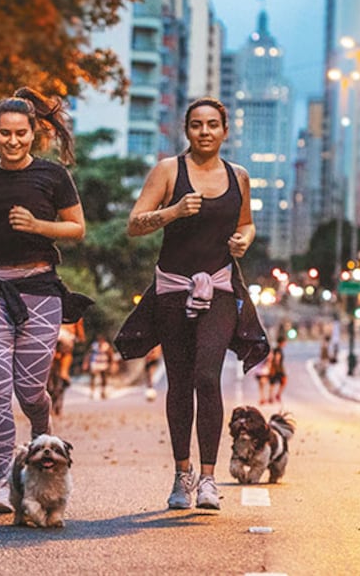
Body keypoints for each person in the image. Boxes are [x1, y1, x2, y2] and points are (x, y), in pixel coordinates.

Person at [115, 96, 267, 512]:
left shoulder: (239, 176)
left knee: (206, 375)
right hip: (172, 290)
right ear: (187, 129)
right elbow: (134, 224)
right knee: (179, 381)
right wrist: (174, 211)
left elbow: (247, 223)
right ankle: (182, 475)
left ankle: (208, 479)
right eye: (197, 124)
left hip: (218, 288)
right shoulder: (169, 171)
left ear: (225, 130)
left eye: (212, 124)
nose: (205, 131)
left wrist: (245, 240)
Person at [0, 86, 91, 515]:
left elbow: (76, 229)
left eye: (21, 134)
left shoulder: (52, 176)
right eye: (4, 133)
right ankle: (2, 482)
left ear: (34, 134)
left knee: (29, 391)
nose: (13, 141)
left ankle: (42, 428)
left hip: (39, 292)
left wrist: (37, 225)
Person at [48, 325, 76, 415]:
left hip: (52, 335)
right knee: (68, 354)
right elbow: (81, 335)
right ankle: (64, 372)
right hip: (65, 337)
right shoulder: (75, 316)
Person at [83, 333, 117, 400]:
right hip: (95, 363)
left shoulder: (106, 346)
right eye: (99, 340)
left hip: (103, 363)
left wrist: (113, 363)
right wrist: (86, 363)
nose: (100, 341)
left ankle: (103, 391)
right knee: (93, 378)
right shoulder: (93, 346)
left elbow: (111, 355)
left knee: (103, 378)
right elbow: (88, 354)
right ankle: (92, 392)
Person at [267, 338, 287, 403]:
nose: (285, 344)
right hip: (277, 369)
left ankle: (272, 396)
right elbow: (276, 359)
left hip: (275, 368)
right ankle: (276, 395)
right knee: (282, 381)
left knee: (272, 384)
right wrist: (276, 366)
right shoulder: (278, 350)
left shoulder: (276, 349)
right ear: (281, 343)